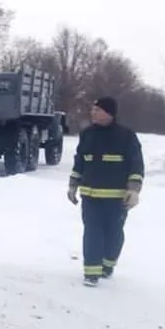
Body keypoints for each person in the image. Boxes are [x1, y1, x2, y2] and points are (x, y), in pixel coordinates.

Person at [67, 96, 144, 286]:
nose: (93, 113)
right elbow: (80, 162)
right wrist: (72, 185)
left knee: (114, 233)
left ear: (109, 113)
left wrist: (133, 191)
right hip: (90, 195)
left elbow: (136, 164)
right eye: (92, 110)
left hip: (116, 198)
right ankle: (91, 272)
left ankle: (108, 264)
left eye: (98, 110)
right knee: (92, 231)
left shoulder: (126, 136)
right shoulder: (87, 134)